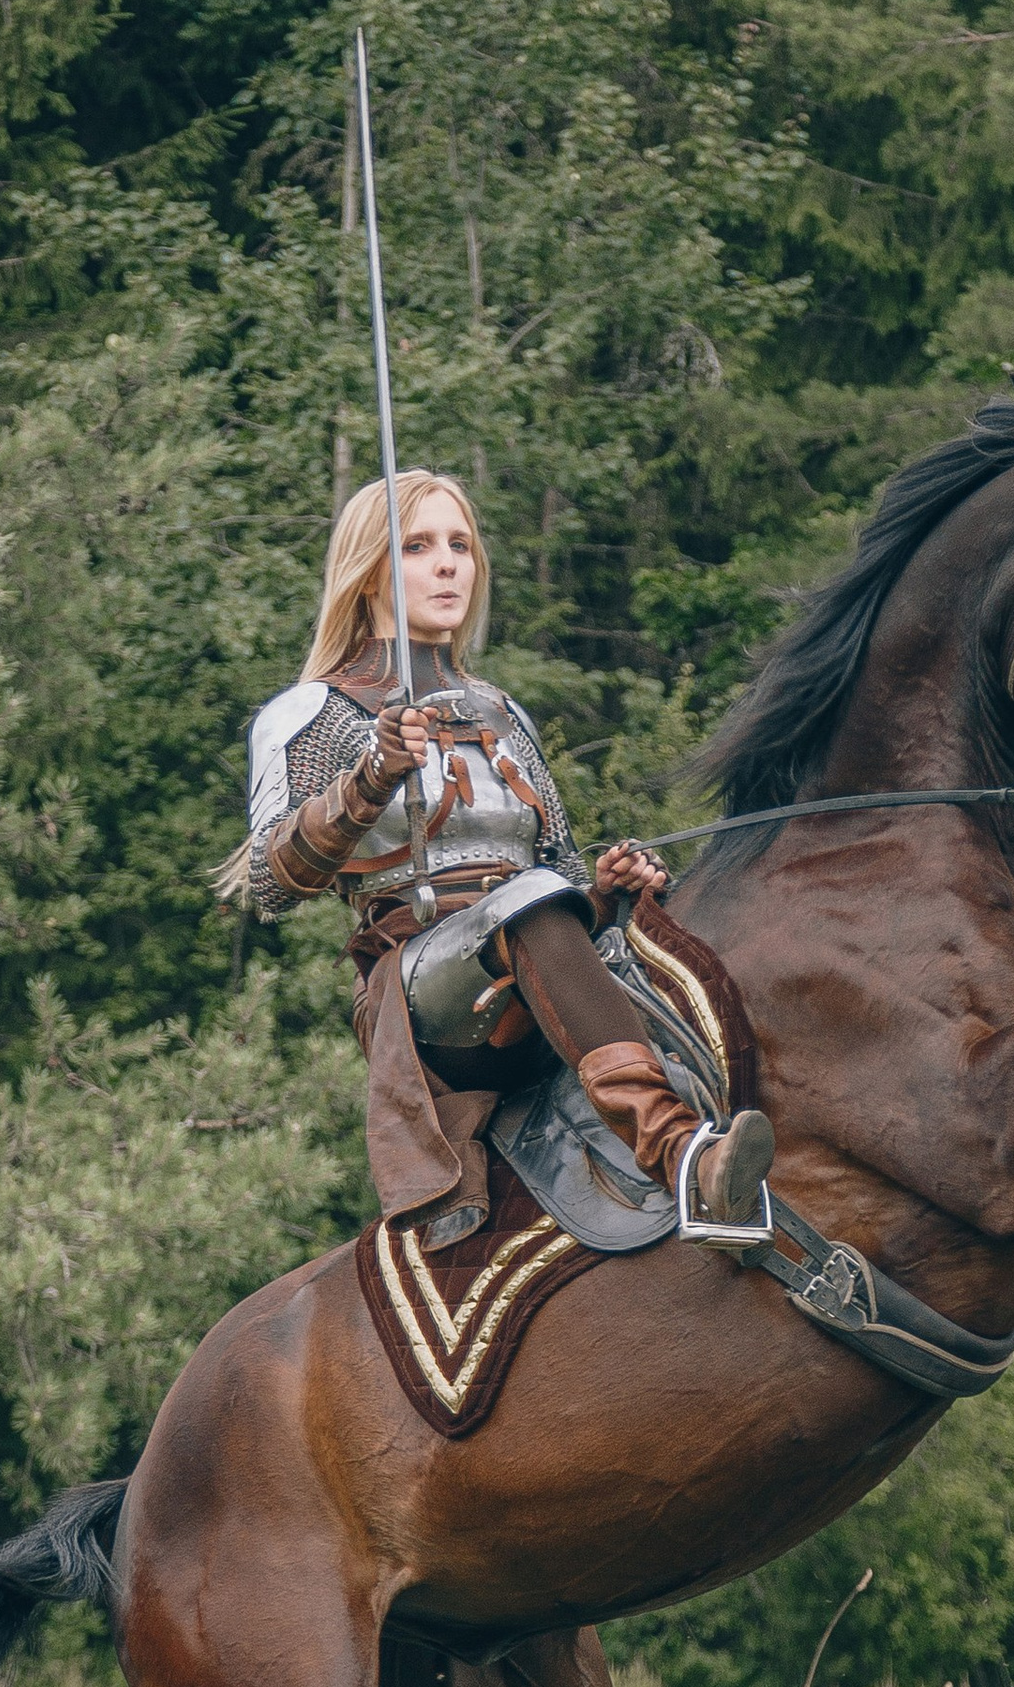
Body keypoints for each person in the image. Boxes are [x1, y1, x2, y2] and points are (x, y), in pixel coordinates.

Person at [237, 470, 774, 1243]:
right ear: (369, 571)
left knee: (682, 936)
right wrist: (372, 775)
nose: (447, 563)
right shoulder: (311, 712)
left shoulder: (500, 710)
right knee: (528, 907)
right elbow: (270, 883)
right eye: (418, 546)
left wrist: (602, 892)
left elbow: (553, 867)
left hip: (525, 958)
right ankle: (680, 1152)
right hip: (424, 997)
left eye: (460, 545)